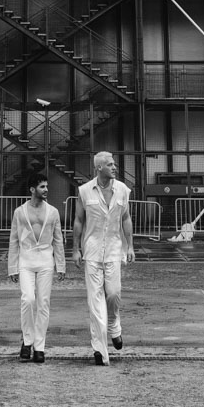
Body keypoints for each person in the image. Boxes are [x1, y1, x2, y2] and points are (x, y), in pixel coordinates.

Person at [72, 150, 135, 365]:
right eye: (110, 164)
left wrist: (131, 247)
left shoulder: (123, 190)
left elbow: (126, 218)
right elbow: (79, 221)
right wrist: (75, 249)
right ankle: (99, 350)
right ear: (99, 168)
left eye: (114, 164)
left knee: (113, 294)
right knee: (95, 301)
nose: (114, 167)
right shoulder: (84, 191)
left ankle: (114, 325)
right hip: (92, 252)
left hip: (115, 251)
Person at [7, 170, 66, 362]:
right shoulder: (20, 211)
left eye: (47, 186)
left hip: (46, 262)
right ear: (32, 189)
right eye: (42, 186)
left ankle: (39, 346)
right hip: (26, 260)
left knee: (43, 303)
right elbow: (14, 240)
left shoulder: (53, 212)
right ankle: (27, 341)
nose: (46, 189)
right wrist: (12, 267)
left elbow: (58, 240)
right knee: (28, 300)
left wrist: (61, 265)